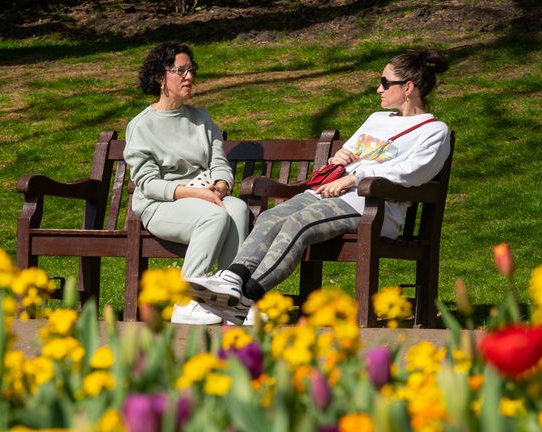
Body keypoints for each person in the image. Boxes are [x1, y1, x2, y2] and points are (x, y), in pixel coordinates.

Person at [187, 49, 451, 324]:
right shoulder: (377, 119)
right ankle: (230, 281)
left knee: (298, 224)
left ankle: (246, 297)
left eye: (385, 82)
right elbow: (350, 152)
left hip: (371, 207)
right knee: (271, 216)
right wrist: (342, 158)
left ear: (408, 87)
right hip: (328, 195)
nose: (378, 88)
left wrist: (354, 177)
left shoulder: (433, 132)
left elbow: (413, 172)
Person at [124, 42, 250, 325]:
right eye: (180, 71)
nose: (189, 77)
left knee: (238, 209)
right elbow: (147, 184)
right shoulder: (141, 126)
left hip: (204, 196)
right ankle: (187, 300)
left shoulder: (201, 119)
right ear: (160, 77)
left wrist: (219, 187)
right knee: (214, 215)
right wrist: (195, 194)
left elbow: (219, 164)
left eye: (191, 70)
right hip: (161, 205)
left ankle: (231, 300)